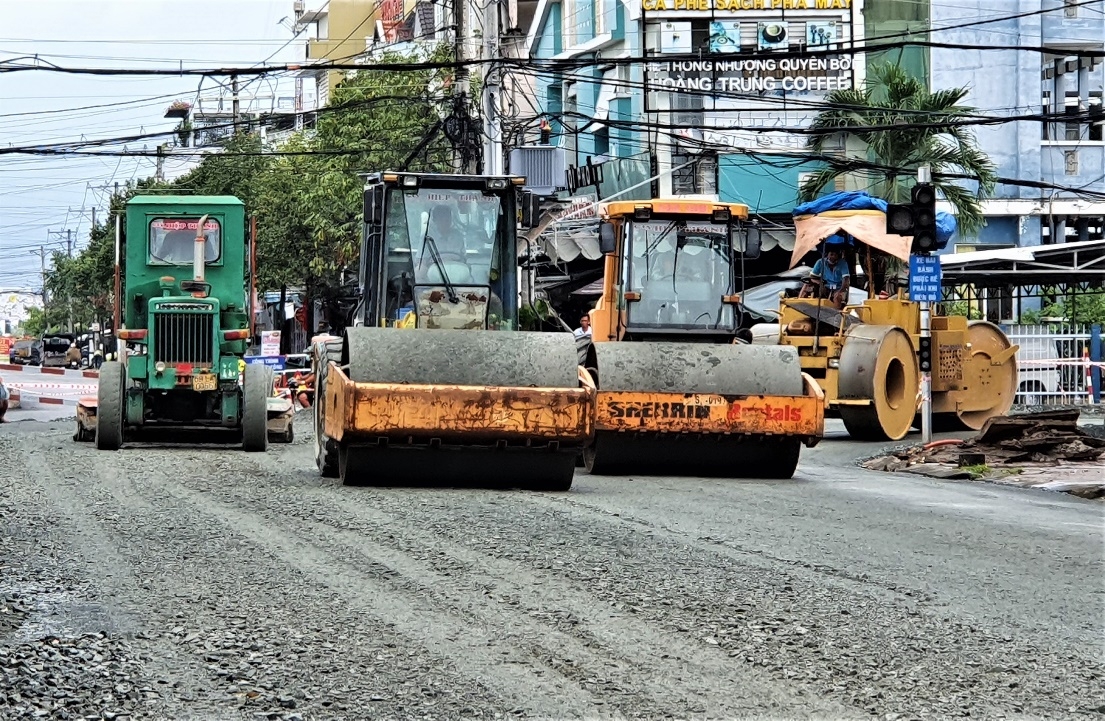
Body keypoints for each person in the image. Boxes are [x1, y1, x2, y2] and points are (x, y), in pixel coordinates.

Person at [800, 244, 851, 308]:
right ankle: (800, 306)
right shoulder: (820, 262)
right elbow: (812, 277)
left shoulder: (843, 263)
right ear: (827, 255)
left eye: (835, 255)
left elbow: (846, 279)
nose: (833, 257)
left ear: (838, 256)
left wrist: (840, 290)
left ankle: (836, 314)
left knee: (837, 297)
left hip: (838, 288)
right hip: (825, 286)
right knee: (806, 285)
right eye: (831, 254)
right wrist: (821, 283)